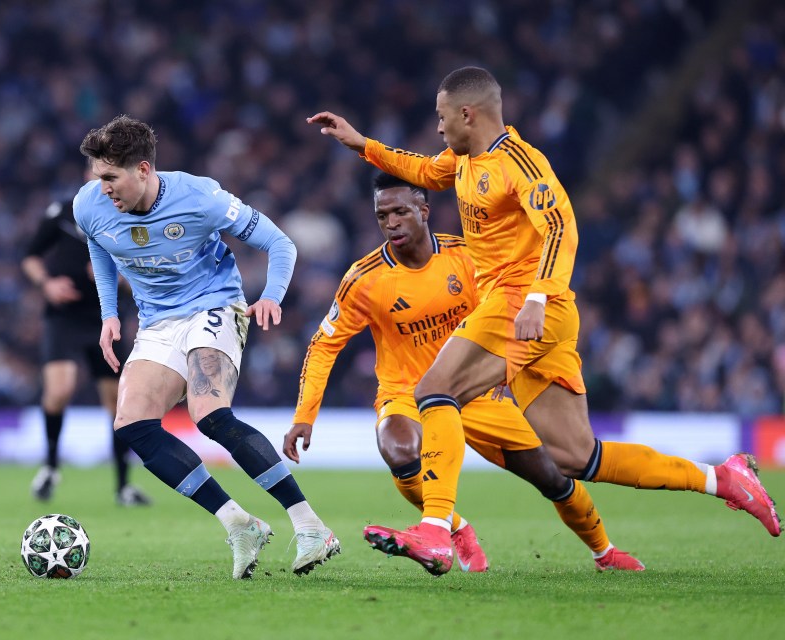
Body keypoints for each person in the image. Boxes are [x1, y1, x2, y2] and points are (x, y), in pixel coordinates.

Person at [307, 66, 780, 574]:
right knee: (579, 457)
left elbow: (560, 225)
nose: (439, 128)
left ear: (468, 113)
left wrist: (537, 296)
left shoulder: (520, 162)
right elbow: (421, 171)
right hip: (533, 315)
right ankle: (723, 479)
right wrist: (362, 145)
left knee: (432, 390)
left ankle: (437, 531)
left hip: (524, 305)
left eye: (443, 118)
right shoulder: (464, 162)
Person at [284, 172, 643, 574]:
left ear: (424, 210)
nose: (391, 222)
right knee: (399, 450)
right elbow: (323, 344)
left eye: (401, 211)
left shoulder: (468, 258)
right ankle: (451, 529)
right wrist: (304, 415)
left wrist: (514, 374)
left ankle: (604, 551)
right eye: (382, 215)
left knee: (554, 477)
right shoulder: (364, 278)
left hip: (474, 392)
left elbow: (506, 319)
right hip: (406, 392)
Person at [73, 114, 340, 579]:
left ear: (143, 169)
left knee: (208, 414)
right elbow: (98, 245)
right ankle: (238, 523)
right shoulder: (89, 205)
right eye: (98, 177)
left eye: (111, 177)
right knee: (132, 424)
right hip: (157, 322)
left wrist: (271, 297)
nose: (103, 188)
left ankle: (311, 525)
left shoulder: (201, 197)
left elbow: (281, 245)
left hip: (213, 305)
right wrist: (109, 312)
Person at [22, 195, 152, 507]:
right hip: (63, 317)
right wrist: (47, 285)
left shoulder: (133, 216)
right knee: (60, 389)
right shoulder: (63, 211)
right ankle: (51, 467)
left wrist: (117, 278)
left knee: (117, 404)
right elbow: (30, 256)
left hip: (105, 318)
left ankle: (123, 486)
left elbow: (148, 273)